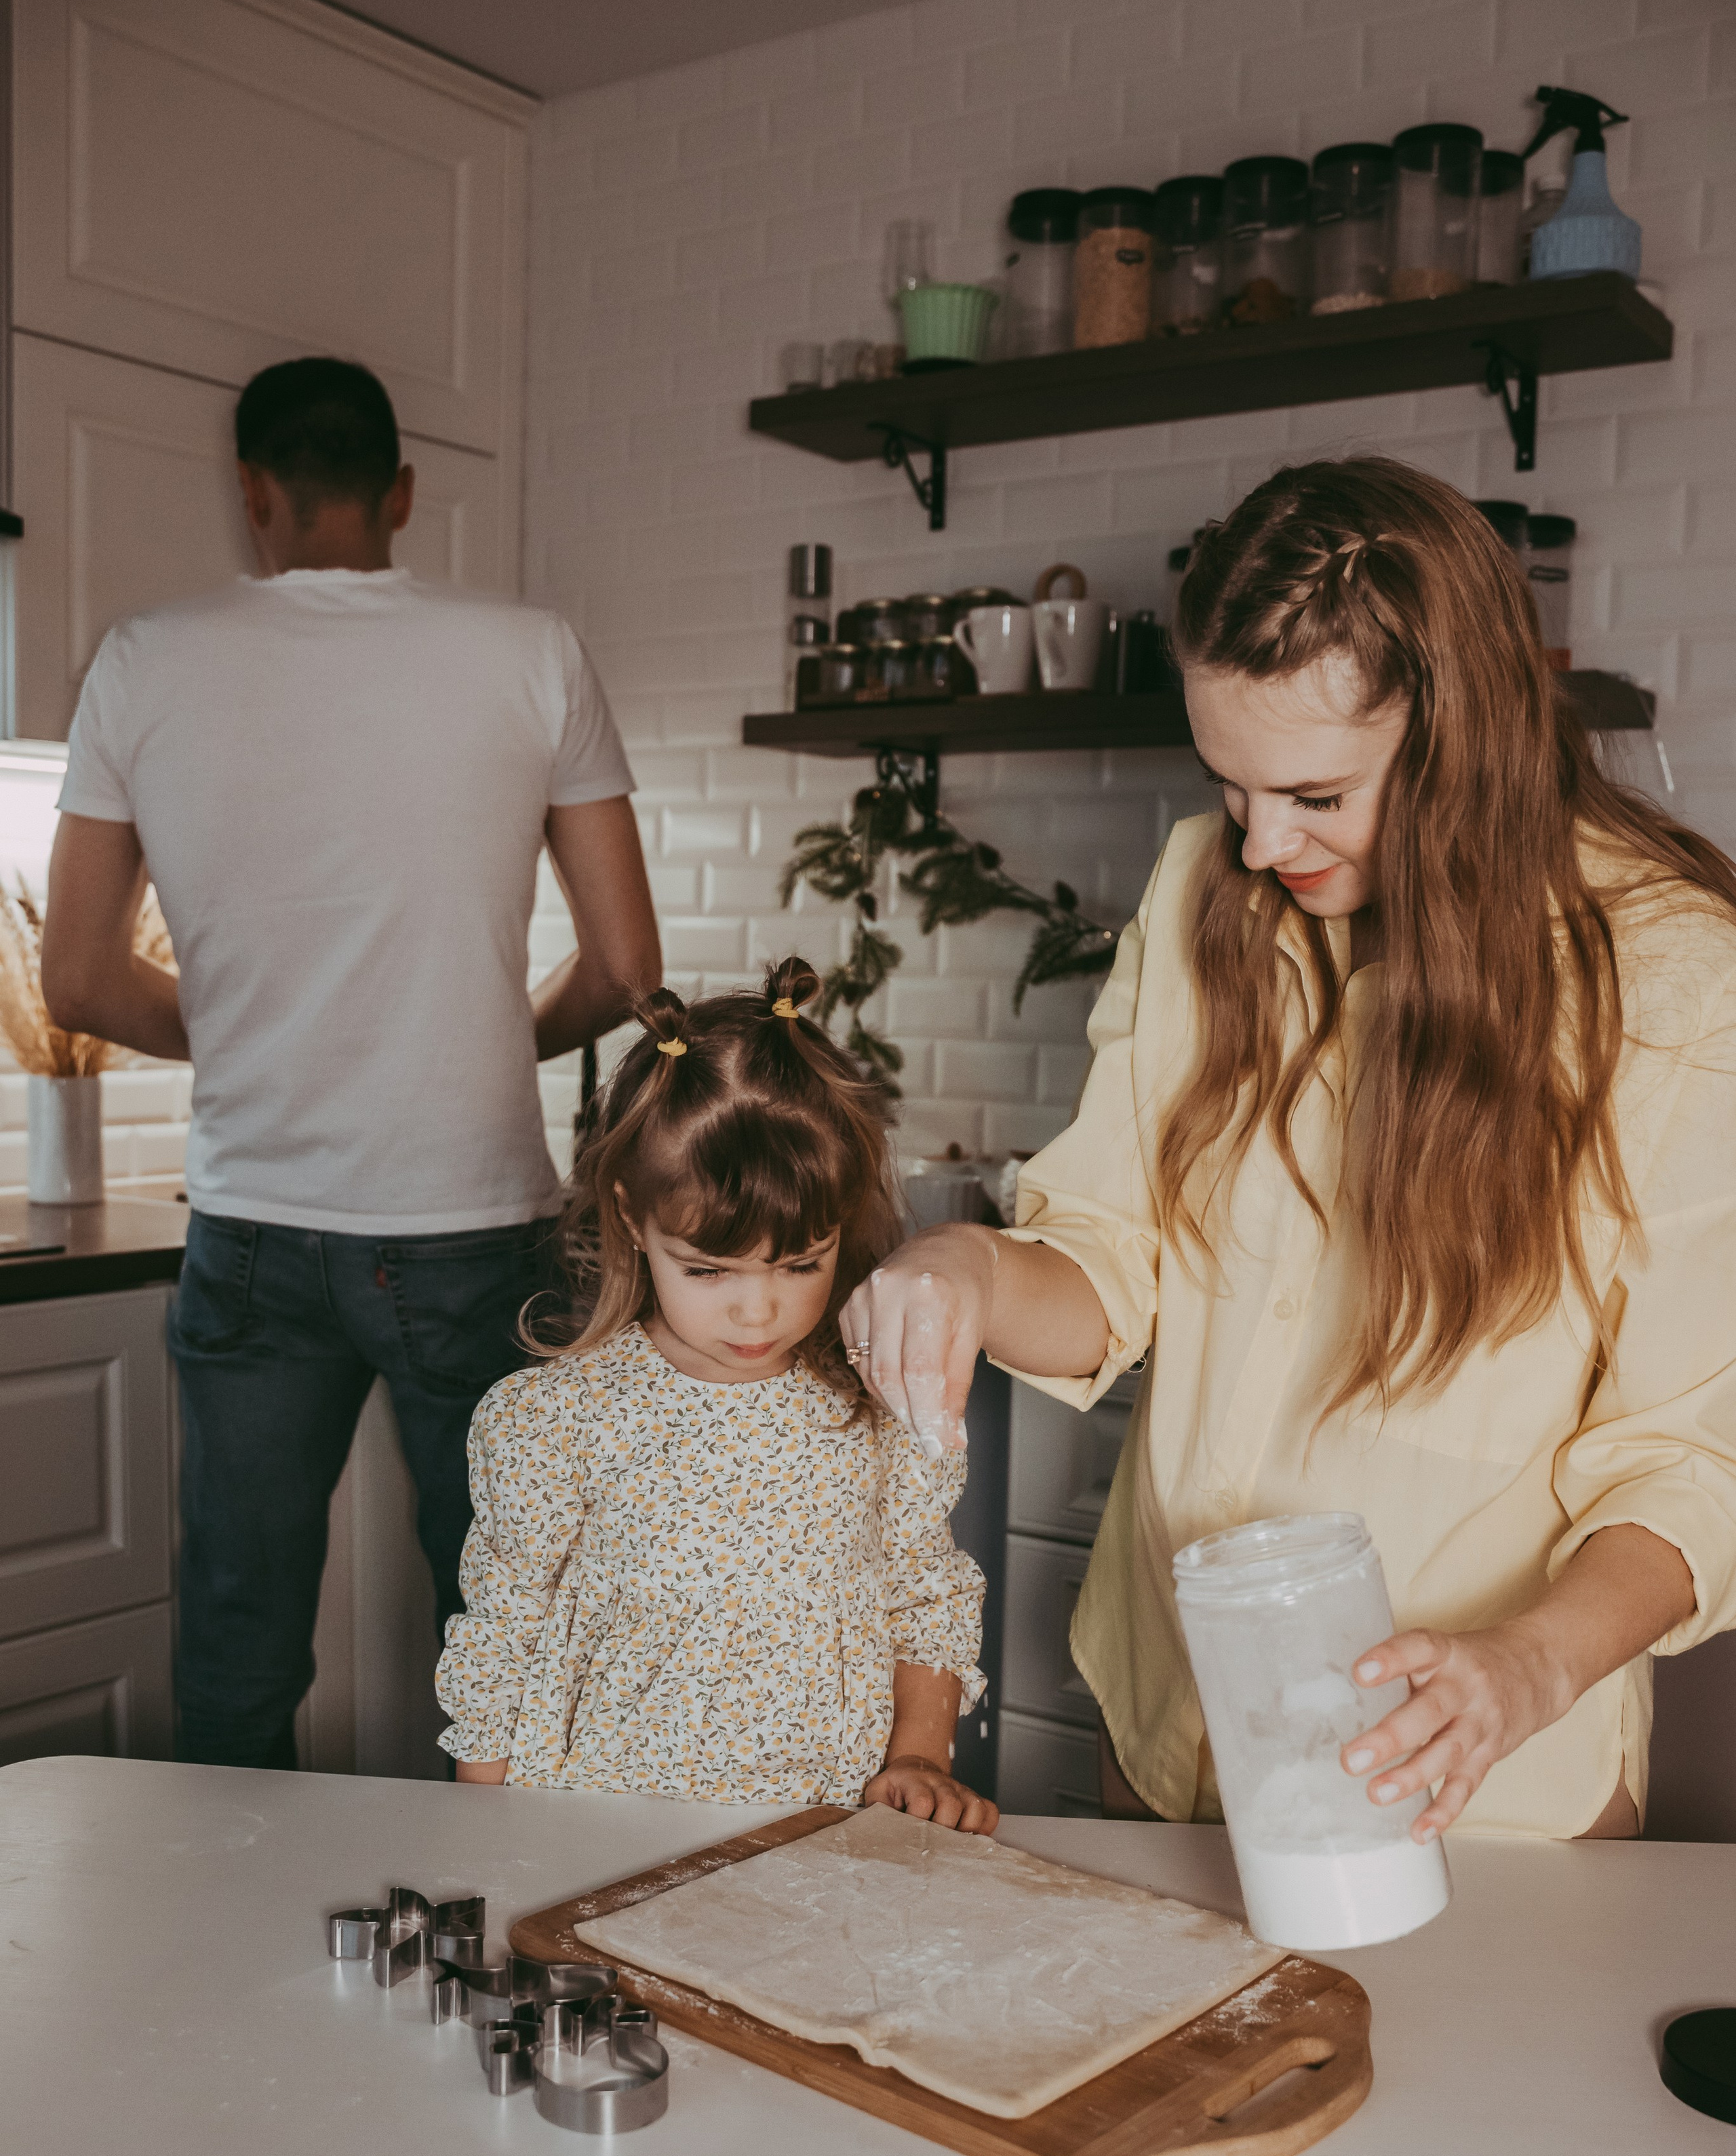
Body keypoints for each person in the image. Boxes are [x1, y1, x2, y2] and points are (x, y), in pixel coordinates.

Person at [844, 456, 1736, 1843]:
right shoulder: (1210, 889)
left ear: (1466, 746)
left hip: (1469, 1791)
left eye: (1316, 794)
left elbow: (1690, 1453)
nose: (1259, 844)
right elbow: (1108, 1259)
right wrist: (961, 1263)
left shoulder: (1669, 978)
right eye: (1230, 783)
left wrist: (1527, 1664)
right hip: (1173, 1724)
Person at [42, 356, 660, 1771]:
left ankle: (226, 1960)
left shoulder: (144, 658)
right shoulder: (533, 648)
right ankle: (511, 1958)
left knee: (238, 1648)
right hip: (474, 1234)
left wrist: (263, 1025)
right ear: (401, 493)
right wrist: (476, 1030)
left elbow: (75, 977)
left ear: (252, 493)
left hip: (255, 1236)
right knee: (507, 1636)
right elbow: (629, 969)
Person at [436, 959, 995, 1829]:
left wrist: (919, 1758)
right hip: (599, 1829)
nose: (756, 1308)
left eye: (799, 1262)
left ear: (841, 1220)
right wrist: (484, 1835)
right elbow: (500, 1638)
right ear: (631, 1216)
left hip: (823, 1828)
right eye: (706, 1269)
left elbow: (927, 1600)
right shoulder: (557, 1419)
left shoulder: (882, 1402)